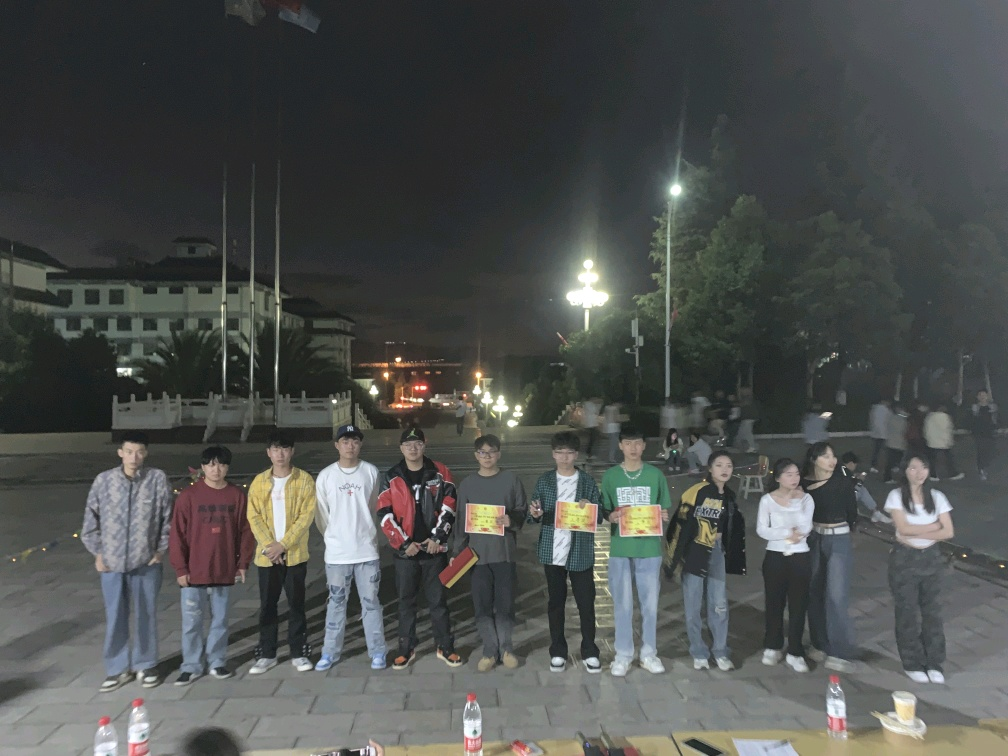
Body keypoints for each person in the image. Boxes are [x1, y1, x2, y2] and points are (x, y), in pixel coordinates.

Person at [81, 430, 173, 693]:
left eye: (140, 452)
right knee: (115, 616)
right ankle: (117, 668)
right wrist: (98, 552)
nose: (134, 457)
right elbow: (90, 520)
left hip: (146, 561)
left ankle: (146, 664)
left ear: (146, 453)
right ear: (120, 452)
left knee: (146, 613)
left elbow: (168, 518)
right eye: (129, 451)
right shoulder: (104, 481)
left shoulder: (156, 479)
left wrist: (160, 550)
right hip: (111, 563)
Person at [377, 426, 463, 669]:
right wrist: (404, 543)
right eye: (408, 445)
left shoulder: (440, 471)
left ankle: (445, 646)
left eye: (417, 444)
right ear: (401, 448)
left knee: (438, 602)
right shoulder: (391, 476)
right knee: (406, 602)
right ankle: (406, 648)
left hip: (434, 551)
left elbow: (450, 505)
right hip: (406, 553)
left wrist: (437, 539)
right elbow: (384, 513)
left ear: (424, 445)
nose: (413, 449)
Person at [169, 445, 255, 686]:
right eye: (211, 464)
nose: (216, 470)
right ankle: (191, 665)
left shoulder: (236, 496)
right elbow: (177, 534)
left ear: (227, 467)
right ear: (203, 467)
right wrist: (180, 568)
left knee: (220, 620)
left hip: (223, 568)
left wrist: (242, 563)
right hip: (194, 571)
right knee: (191, 622)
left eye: (221, 465)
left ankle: (217, 661)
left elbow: (245, 532)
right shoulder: (189, 496)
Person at [599, 425, 672, 677]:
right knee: (623, 604)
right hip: (621, 548)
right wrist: (611, 516)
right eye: (628, 443)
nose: (633, 448)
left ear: (644, 446)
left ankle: (649, 653)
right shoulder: (611, 476)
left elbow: (663, 507)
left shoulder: (655, 475)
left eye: (638, 443)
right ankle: (623, 654)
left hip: (649, 547)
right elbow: (605, 510)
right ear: (620, 446)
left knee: (650, 604)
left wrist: (663, 515)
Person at [528, 431, 604, 673]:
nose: (564, 457)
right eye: (559, 452)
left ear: (576, 455)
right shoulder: (545, 481)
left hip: (580, 550)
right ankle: (558, 651)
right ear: (553, 454)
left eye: (569, 453)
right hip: (553, 550)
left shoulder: (587, 482)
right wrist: (535, 513)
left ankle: (590, 651)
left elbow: (599, 516)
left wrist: (590, 509)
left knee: (586, 603)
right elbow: (534, 511)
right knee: (556, 603)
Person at [314, 424, 387, 672]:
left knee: (371, 602)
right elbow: (322, 515)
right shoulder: (326, 476)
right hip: (337, 553)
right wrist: (335, 536)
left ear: (360, 444)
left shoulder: (370, 472)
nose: (350, 446)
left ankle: (378, 651)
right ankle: (329, 652)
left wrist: (365, 532)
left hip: (366, 550)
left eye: (355, 441)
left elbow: (374, 506)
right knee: (336, 603)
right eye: (345, 441)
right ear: (337, 445)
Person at [453, 434, 528, 671]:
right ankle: (489, 651)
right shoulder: (467, 484)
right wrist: (457, 551)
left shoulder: (511, 480)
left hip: (504, 553)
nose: (487, 457)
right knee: (482, 606)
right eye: (482, 452)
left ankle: (506, 649)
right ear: (476, 455)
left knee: (505, 605)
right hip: (477, 556)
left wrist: (511, 520)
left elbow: (522, 509)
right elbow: (461, 520)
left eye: (492, 452)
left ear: (499, 454)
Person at [666, 450, 746, 671]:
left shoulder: (729, 496)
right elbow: (679, 526)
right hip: (695, 552)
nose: (724, 470)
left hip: (717, 553)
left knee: (719, 604)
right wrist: (673, 560)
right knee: (693, 606)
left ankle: (720, 650)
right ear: (710, 468)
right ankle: (698, 651)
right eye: (719, 465)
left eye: (728, 466)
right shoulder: (696, 492)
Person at [246, 430, 317, 674]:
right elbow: (253, 516)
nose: (280, 454)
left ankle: (298, 652)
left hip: (294, 555)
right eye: (275, 449)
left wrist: (283, 544)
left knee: (296, 604)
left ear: (292, 451)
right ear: (268, 452)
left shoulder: (304, 480)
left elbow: (306, 516)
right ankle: (267, 653)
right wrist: (270, 546)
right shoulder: (259, 482)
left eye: (284, 449)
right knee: (268, 605)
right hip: (267, 557)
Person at [884, 455, 956, 684]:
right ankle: (912, 662)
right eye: (913, 468)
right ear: (905, 471)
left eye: (923, 467)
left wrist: (919, 531)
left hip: (932, 558)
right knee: (907, 613)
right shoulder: (896, 496)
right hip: (904, 559)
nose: (919, 472)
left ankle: (934, 662)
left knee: (932, 613)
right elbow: (903, 529)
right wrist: (933, 526)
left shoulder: (937, 497)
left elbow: (948, 531)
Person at [803, 442, 859, 672]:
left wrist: (848, 533)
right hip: (814, 538)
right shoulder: (804, 485)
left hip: (838, 539)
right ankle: (819, 644)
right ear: (814, 459)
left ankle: (839, 651)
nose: (832, 460)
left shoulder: (842, 482)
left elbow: (852, 513)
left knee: (836, 595)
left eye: (833, 456)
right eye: (825, 456)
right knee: (813, 592)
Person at [755, 458, 813, 673]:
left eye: (796, 474)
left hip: (800, 556)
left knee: (798, 605)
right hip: (775, 555)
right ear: (778, 477)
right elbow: (762, 530)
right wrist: (788, 533)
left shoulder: (806, 499)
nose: (794, 478)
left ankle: (795, 651)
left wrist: (795, 503)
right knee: (774, 602)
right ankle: (773, 645)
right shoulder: (767, 500)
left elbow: (805, 527)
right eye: (789, 474)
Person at [839, 452, 892, 524]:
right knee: (861, 490)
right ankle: (875, 513)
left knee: (861, 489)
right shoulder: (844, 473)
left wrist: (854, 477)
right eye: (855, 464)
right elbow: (853, 491)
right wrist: (860, 481)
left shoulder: (841, 469)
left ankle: (875, 513)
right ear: (851, 463)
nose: (855, 467)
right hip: (840, 502)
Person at [923, 405, 963, 482]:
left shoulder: (929, 417)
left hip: (932, 442)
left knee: (932, 460)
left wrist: (928, 439)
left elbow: (926, 430)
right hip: (943, 442)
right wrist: (949, 441)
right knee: (948, 459)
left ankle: (933, 475)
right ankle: (952, 474)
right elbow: (948, 430)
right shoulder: (945, 417)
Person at [971, 390, 998, 481]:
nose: (982, 397)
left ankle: (986, 467)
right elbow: (972, 420)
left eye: (984, 395)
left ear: (987, 396)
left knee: (988, 451)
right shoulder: (975, 407)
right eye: (980, 395)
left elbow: (996, 420)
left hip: (989, 433)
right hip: (979, 433)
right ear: (977, 397)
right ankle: (981, 469)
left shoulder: (992, 407)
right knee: (981, 451)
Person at [884, 404, 909, 483]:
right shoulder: (902, 420)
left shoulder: (891, 418)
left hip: (891, 442)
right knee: (896, 460)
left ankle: (889, 475)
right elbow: (904, 430)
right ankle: (888, 477)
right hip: (899, 443)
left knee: (891, 460)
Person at [868, 399, 892, 473]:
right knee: (887, 451)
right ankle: (890, 465)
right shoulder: (887, 411)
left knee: (876, 451)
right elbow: (889, 422)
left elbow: (871, 420)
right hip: (884, 434)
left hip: (875, 433)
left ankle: (873, 466)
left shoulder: (873, 409)